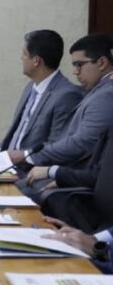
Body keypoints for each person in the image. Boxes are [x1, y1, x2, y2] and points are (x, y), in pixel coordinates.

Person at [16, 34, 113, 185]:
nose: (75, 72)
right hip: (64, 175)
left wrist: (30, 157)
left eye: (79, 65)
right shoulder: (98, 90)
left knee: (13, 191)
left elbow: (82, 143)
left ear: (101, 63)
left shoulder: (106, 95)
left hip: (74, 181)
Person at [0, 30, 82, 154]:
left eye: (24, 53)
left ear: (36, 61)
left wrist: (21, 156)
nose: (21, 57)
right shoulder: (31, 86)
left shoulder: (67, 96)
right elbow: (16, 132)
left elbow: (56, 145)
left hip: (29, 164)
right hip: (5, 159)